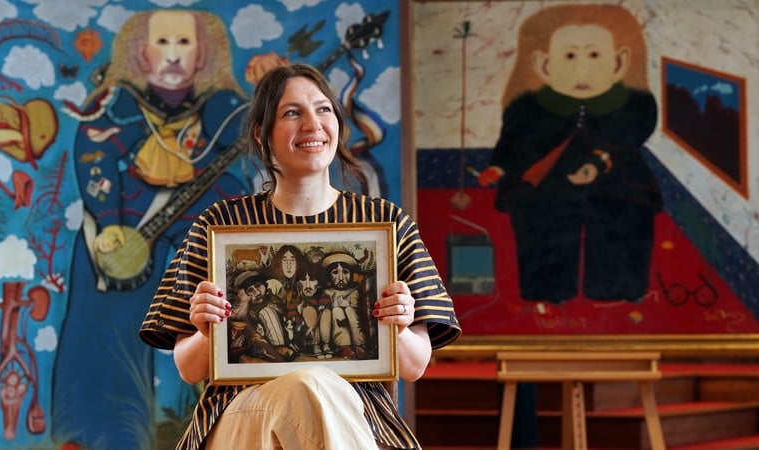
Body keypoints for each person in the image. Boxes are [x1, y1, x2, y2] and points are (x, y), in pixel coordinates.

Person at [140, 62, 461, 450]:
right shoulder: (220, 226)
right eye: (292, 113)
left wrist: (400, 324)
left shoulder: (386, 225)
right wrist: (208, 331)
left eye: (323, 109)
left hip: (358, 419)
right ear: (261, 133)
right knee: (306, 385)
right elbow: (189, 368)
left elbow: (413, 366)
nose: (313, 123)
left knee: (315, 387)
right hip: (243, 414)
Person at [53, 10, 251, 449]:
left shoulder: (223, 108)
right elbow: (94, 160)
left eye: (185, 43)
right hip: (125, 220)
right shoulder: (113, 105)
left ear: (203, 54)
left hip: (197, 214)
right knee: (108, 310)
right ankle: (107, 433)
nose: (174, 55)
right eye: (162, 43)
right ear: (140, 53)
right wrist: (107, 224)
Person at [477, 4, 662, 304]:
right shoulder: (528, 106)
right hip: (547, 187)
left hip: (617, 182)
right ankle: (547, 290)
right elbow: (512, 141)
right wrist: (498, 167)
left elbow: (628, 137)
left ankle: (616, 289)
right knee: (541, 224)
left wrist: (599, 162)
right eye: (569, 56)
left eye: (593, 55)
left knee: (625, 220)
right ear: (543, 65)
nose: (581, 68)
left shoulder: (635, 103)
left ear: (619, 62)